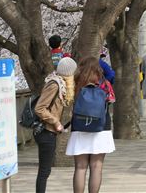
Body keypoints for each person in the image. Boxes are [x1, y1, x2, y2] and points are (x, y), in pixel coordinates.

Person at [66, 57, 115, 193]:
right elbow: (111, 100)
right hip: (101, 127)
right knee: (96, 167)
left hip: (79, 126)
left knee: (80, 167)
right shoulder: (104, 83)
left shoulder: (76, 84)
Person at [34, 57, 77, 193]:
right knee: (44, 170)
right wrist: (56, 122)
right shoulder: (54, 84)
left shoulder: (61, 84)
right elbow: (40, 108)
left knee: (45, 170)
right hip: (45, 131)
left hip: (50, 132)